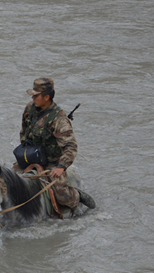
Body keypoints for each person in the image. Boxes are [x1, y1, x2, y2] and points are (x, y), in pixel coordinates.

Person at [17, 77, 95, 209]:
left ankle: (77, 195)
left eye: (36, 96)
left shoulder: (59, 119)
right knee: (7, 180)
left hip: (52, 162)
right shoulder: (30, 108)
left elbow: (71, 146)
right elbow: (24, 131)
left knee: (61, 195)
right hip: (31, 157)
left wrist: (61, 167)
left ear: (46, 97)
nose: (32, 98)